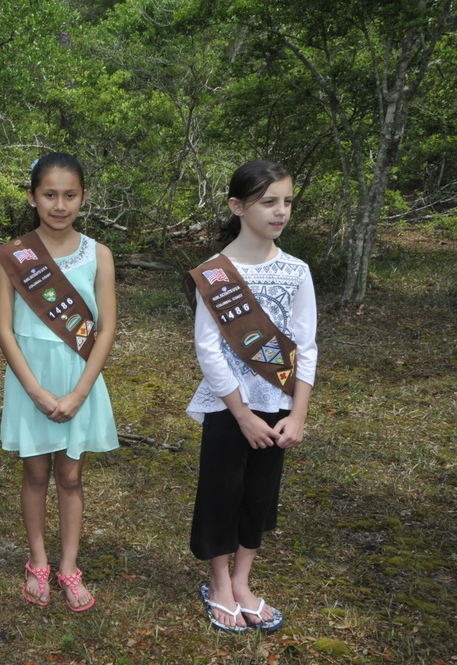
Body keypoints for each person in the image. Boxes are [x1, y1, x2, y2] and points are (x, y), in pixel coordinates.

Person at [185, 160, 317, 634]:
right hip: (228, 407)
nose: (280, 211)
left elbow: (306, 346)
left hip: (278, 404)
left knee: (259, 495)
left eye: (287, 202)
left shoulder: (297, 271)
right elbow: (208, 349)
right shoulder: (215, 274)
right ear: (237, 207)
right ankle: (219, 582)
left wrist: (298, 414)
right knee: (222, 492)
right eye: (268, 202)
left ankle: (242, 582)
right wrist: (241, 414)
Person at [0, 152, 118, 612]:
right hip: (30, 380)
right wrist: (35, 390)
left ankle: (69, 565)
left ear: (83, 198)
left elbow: (106, 327)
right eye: (49, 195)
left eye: (69, 195)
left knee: (70, 474)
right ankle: (38, 561)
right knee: (35, 472)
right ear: (32, 197)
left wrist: (80, 392)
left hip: (78, 378)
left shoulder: (98, 254)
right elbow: (4, 329)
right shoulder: (14, 256)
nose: (59, 205)